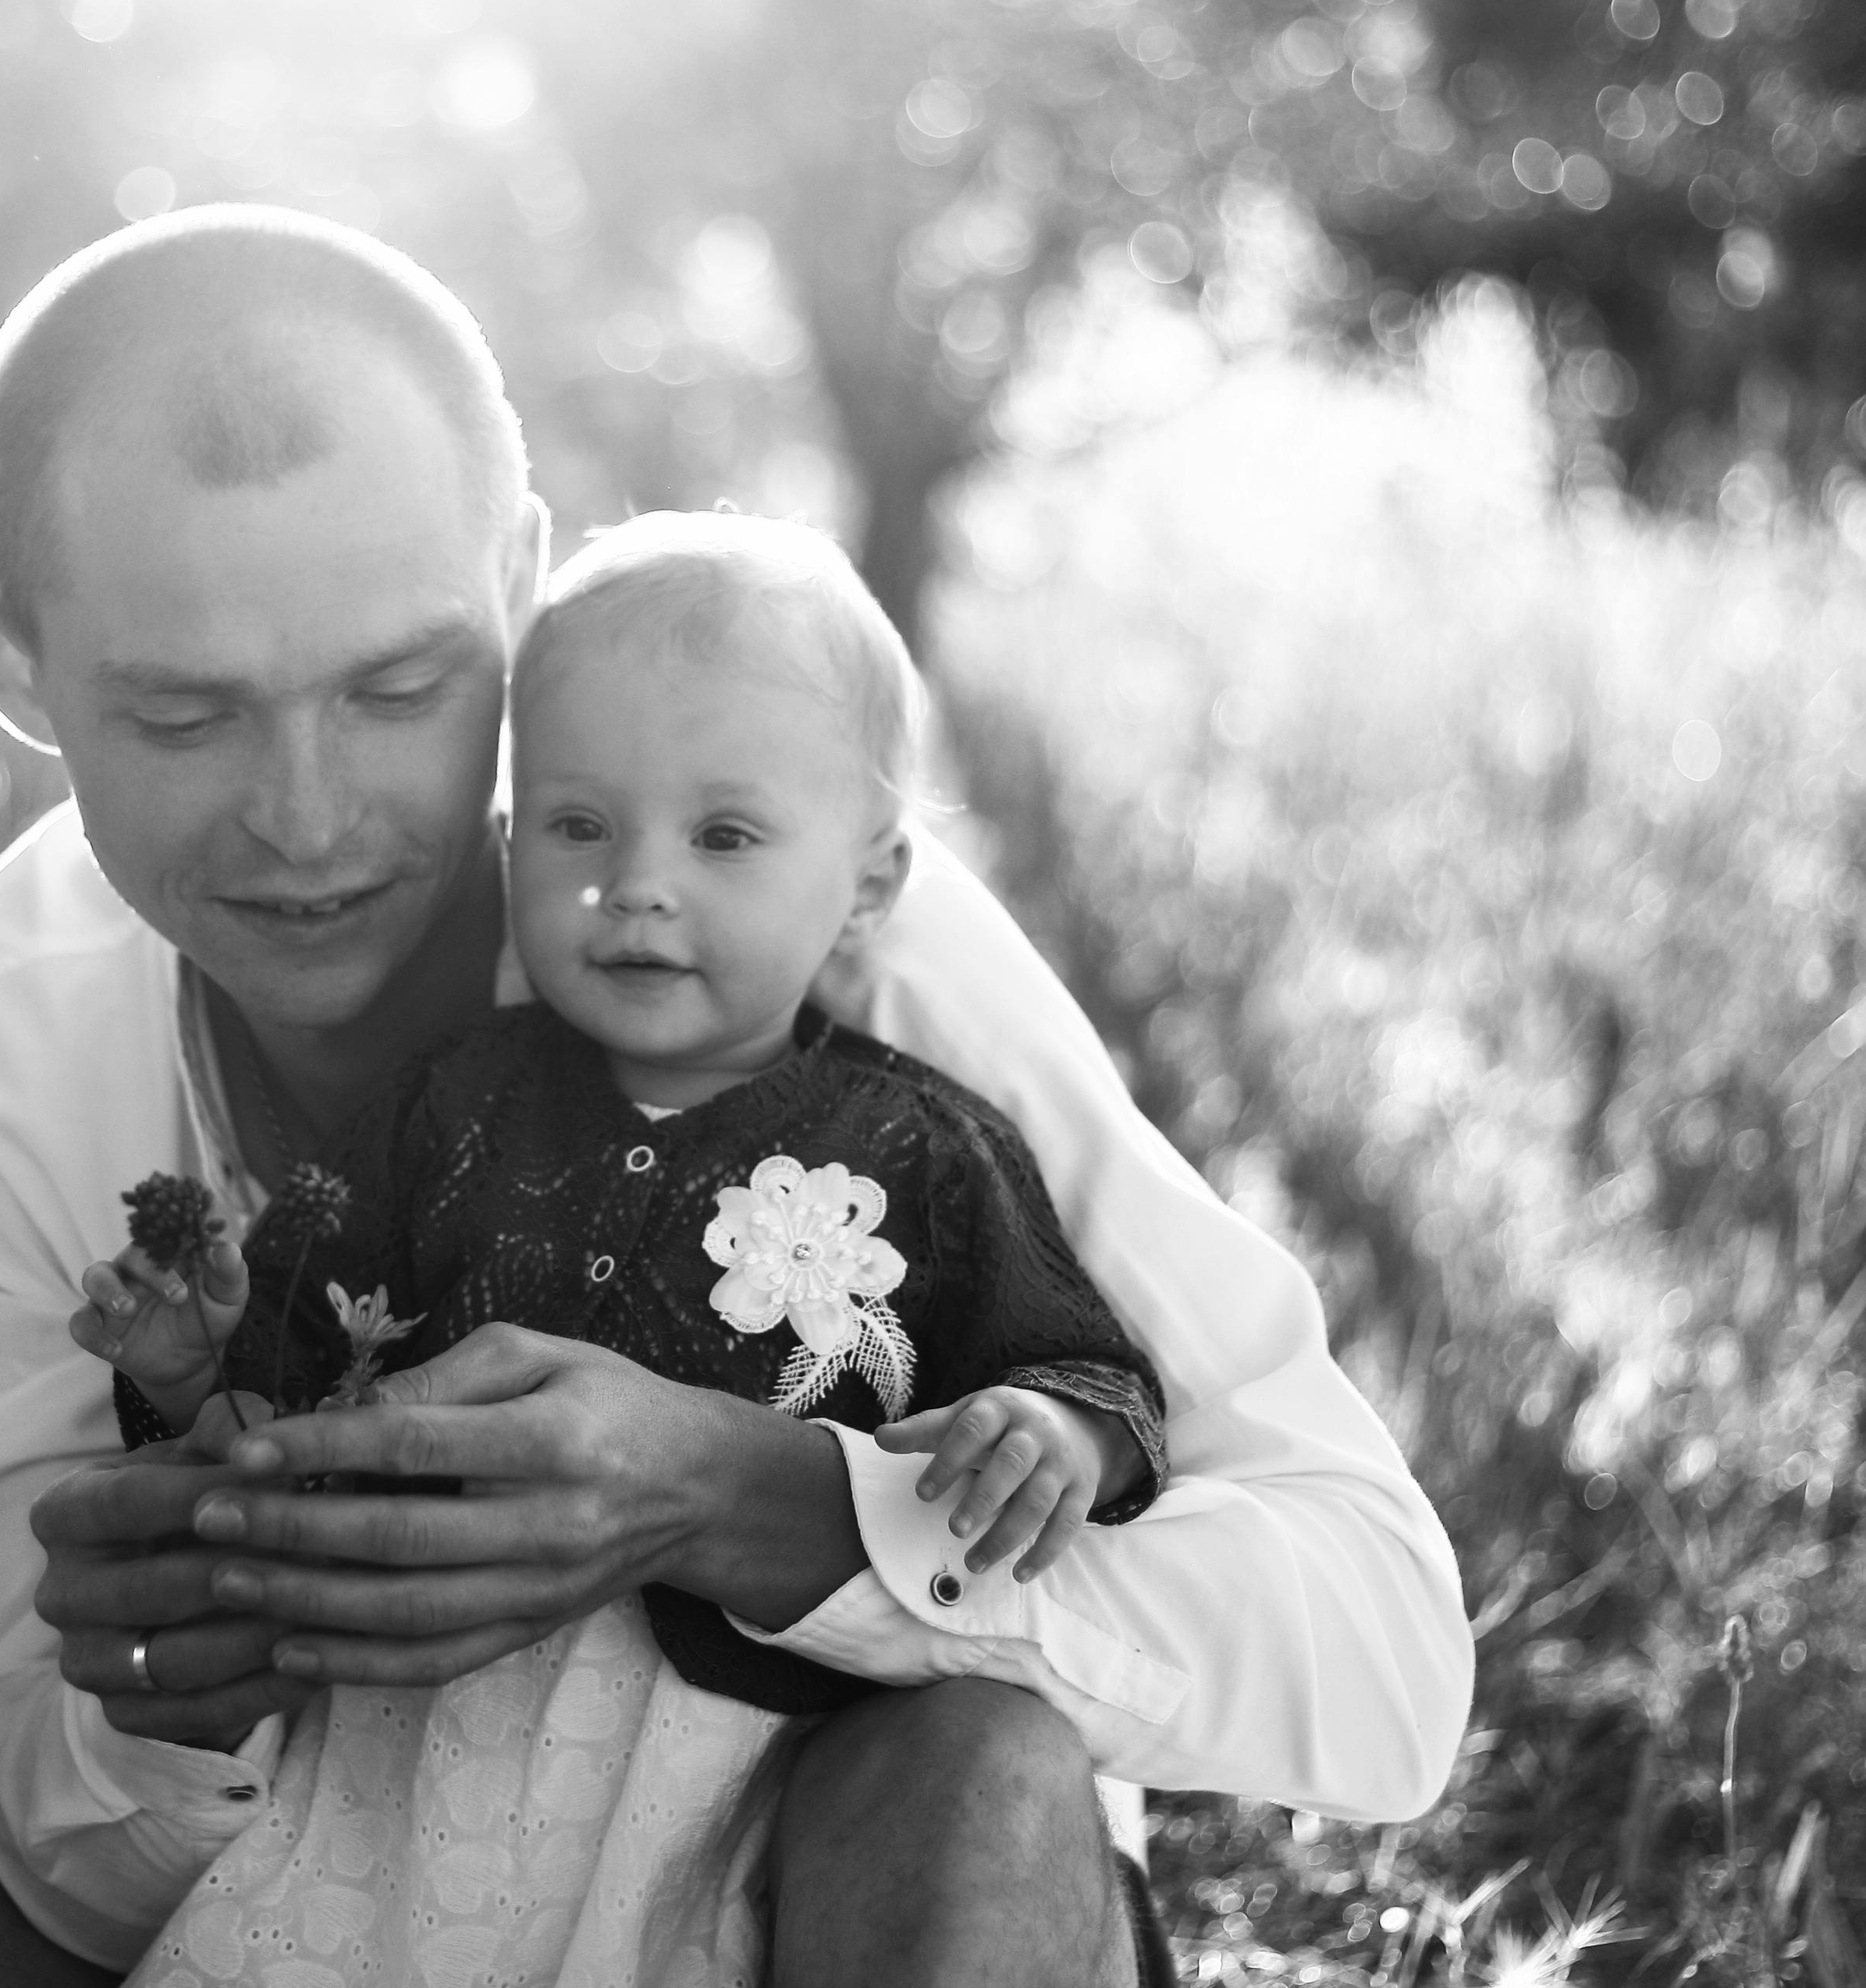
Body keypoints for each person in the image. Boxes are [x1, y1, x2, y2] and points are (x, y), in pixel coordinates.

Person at [0, 205, 1469, 1988]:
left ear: (520, 578)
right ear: (11, 666)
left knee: (981, 1768)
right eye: (182, 717)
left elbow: (1378, 1654)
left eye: (406, 685)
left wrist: (767, 1504)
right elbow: (61, 1863)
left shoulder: (796, 922)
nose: (313, 818)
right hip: (272, 1934)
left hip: (787, 1912)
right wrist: (157, 1715)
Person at [69, 510, 1177, 1980]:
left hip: (739, 1777)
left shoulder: (925, 1150)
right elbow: (292, 1399)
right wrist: (189, 1364)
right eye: (583, 827)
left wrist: (1053, 1433)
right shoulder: (451, 1107)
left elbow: (1083, 1362)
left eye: (722, 836)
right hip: (428, 1771)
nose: (639, 884)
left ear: (868, 882)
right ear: (517, 843)